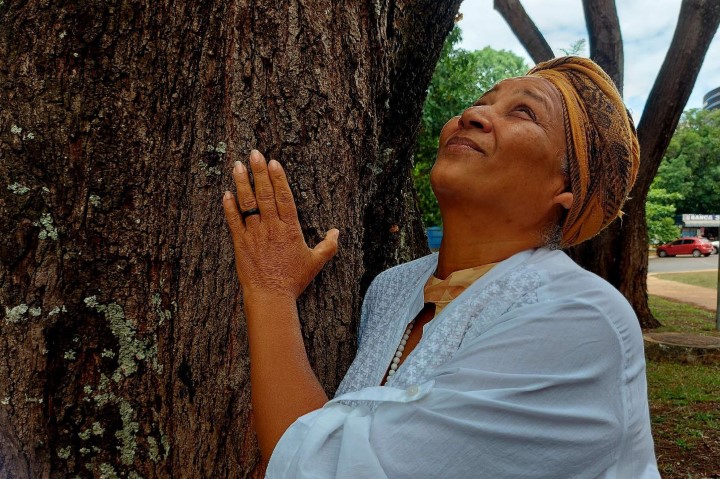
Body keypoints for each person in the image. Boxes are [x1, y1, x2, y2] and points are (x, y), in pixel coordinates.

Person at [222, 56, 660, 478]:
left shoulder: (579, 318)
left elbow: (327, 469)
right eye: (483, 101)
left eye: (524, 112)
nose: (472, 114)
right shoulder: (393, 288)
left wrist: (270, 289)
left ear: (567, 186)